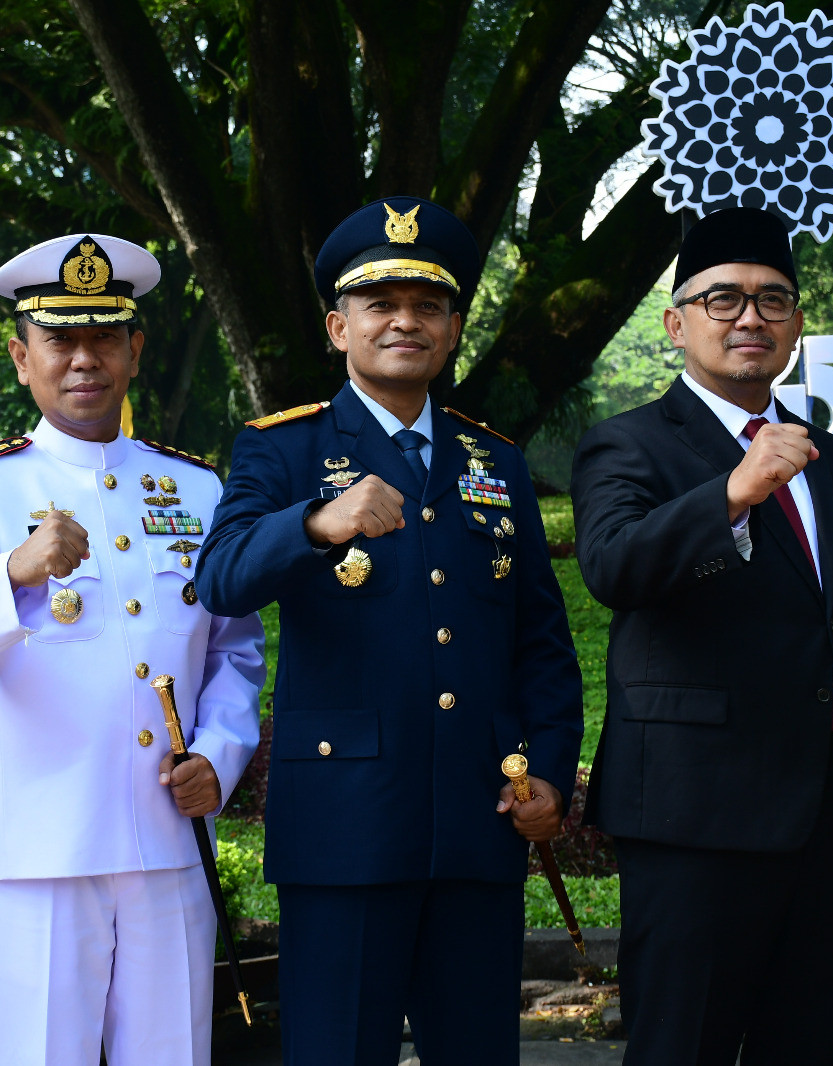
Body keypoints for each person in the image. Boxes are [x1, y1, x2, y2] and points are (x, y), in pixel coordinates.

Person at [196, 197, 584, 1065]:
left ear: (451, 330)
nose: (405, 321)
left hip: (482, 818)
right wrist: (313, 523)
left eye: (428, 306)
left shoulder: (496, 462)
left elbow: (541, 642)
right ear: (340, 326)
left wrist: (552, 772)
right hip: (345, 826)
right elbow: (217, 578)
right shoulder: (283, 448)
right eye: (381, 304)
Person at [568, 207, 833, 1064]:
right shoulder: (626, 446)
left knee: (821, 1045)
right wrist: (731, 493)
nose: (750, 318)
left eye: (774, 301)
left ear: (797, 325)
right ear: (677, 323)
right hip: (694, 817)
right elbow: (614, 569)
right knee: (681, 1046)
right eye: (724, 299)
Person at [0, 233, 264, 1066]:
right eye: (61, 340)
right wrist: (11, 574)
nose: (84, 359)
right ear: (23, 358)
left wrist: (220, 752)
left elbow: (234, 646)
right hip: (42, 852)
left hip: (169, 838)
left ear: (134, 350)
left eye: (104, 338)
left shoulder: (197, 488)